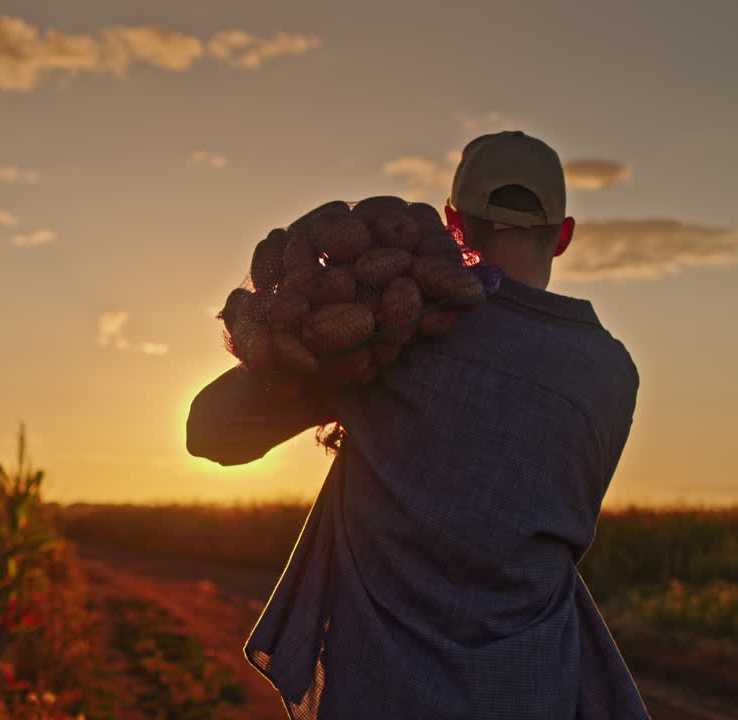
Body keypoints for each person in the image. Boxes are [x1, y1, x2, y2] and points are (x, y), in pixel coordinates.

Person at [186, 131, 647, 719]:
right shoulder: (611, 374)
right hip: (533, 693)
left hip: (380, 695)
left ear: (454, 224)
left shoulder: (404, 329)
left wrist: (327, 350)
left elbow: (210, 432)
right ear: (563, 236)